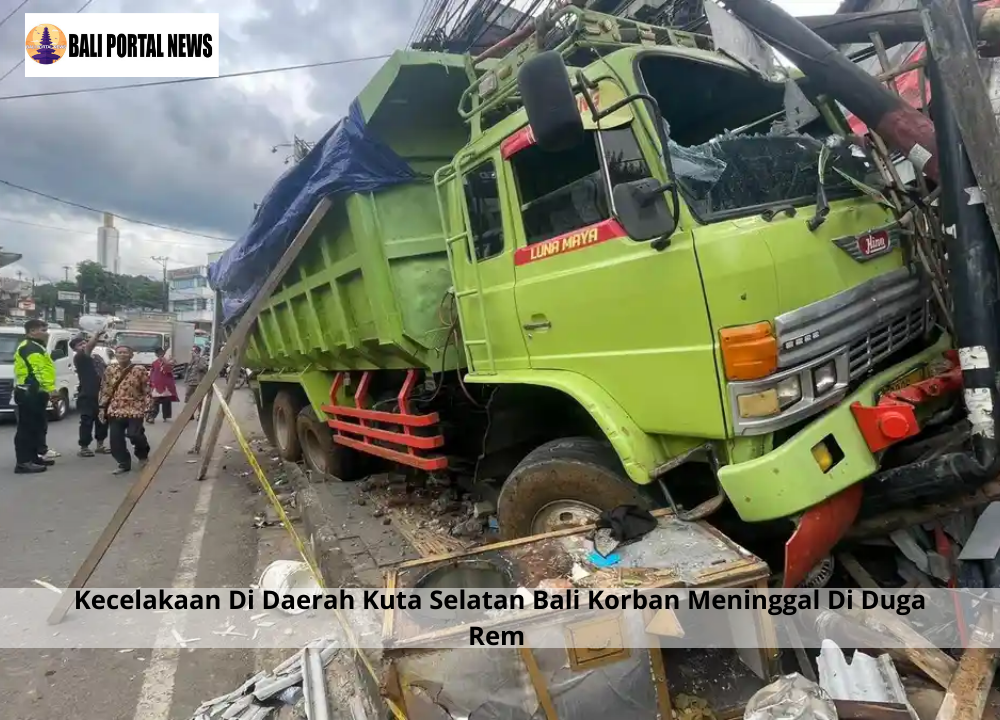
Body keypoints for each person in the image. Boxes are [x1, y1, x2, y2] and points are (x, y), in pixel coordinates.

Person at [98, 345, 152, 475]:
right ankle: (123, 463)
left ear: (131, 355)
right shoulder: (110, 369)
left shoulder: (139, 370)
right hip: (115, 409)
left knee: (135, 434)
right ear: (115, 355)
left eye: (125, 352)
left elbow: (147, 389)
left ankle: (142, 455)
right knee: (115, 439)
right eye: (119, 352)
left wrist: (148, 407)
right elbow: (105, 389)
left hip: (135, 408)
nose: (122, 355)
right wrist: (101, 408)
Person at [13, 319, 56, 474]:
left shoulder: (36, 346)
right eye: (43, 330)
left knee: (36, 427)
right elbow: (38, 370)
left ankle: (32, 457)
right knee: (27, 428)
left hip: (35, 392)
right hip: (29, 392)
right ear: (32, 331)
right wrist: (51, 389)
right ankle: (23, 462)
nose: (47, 333)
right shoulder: (30, 347)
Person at [71, 333, 110, 457]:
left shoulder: (97, 357)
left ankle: (100, 445)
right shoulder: (80, 357)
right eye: (79, 345)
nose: (83, 346)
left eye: (84, 343)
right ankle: (84, 447)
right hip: (87, 394)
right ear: (75, 349)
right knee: (86, 421)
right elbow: (89, 347)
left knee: (102, 420)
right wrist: (96, 335)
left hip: (102, 394)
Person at [147, 346, 178, 423]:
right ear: (156, 354)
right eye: (158, 354)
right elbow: (152, 373)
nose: (160, 355)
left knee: (166, 401)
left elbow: (169, 370)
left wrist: (165, 362)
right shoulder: (154, 363)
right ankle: (152, 417)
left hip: (166, 386)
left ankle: (166, 416)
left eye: (161, 353)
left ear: (163, 353)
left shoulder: (169, 362)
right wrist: (150, 382)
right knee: (155, 402)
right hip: (156, 385)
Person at [184, 345, 209, 421]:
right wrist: (186, 380)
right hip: (190, 382)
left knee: (199, 400)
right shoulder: (191, 360)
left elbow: (202, 367)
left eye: (194, 351)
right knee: (188, 399)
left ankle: (200, 414)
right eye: (192, 351)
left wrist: (197, 359)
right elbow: (188, 370)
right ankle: (190, 414)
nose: (192, 353)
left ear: (198, 352)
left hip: (198, 382)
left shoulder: (202, 359)